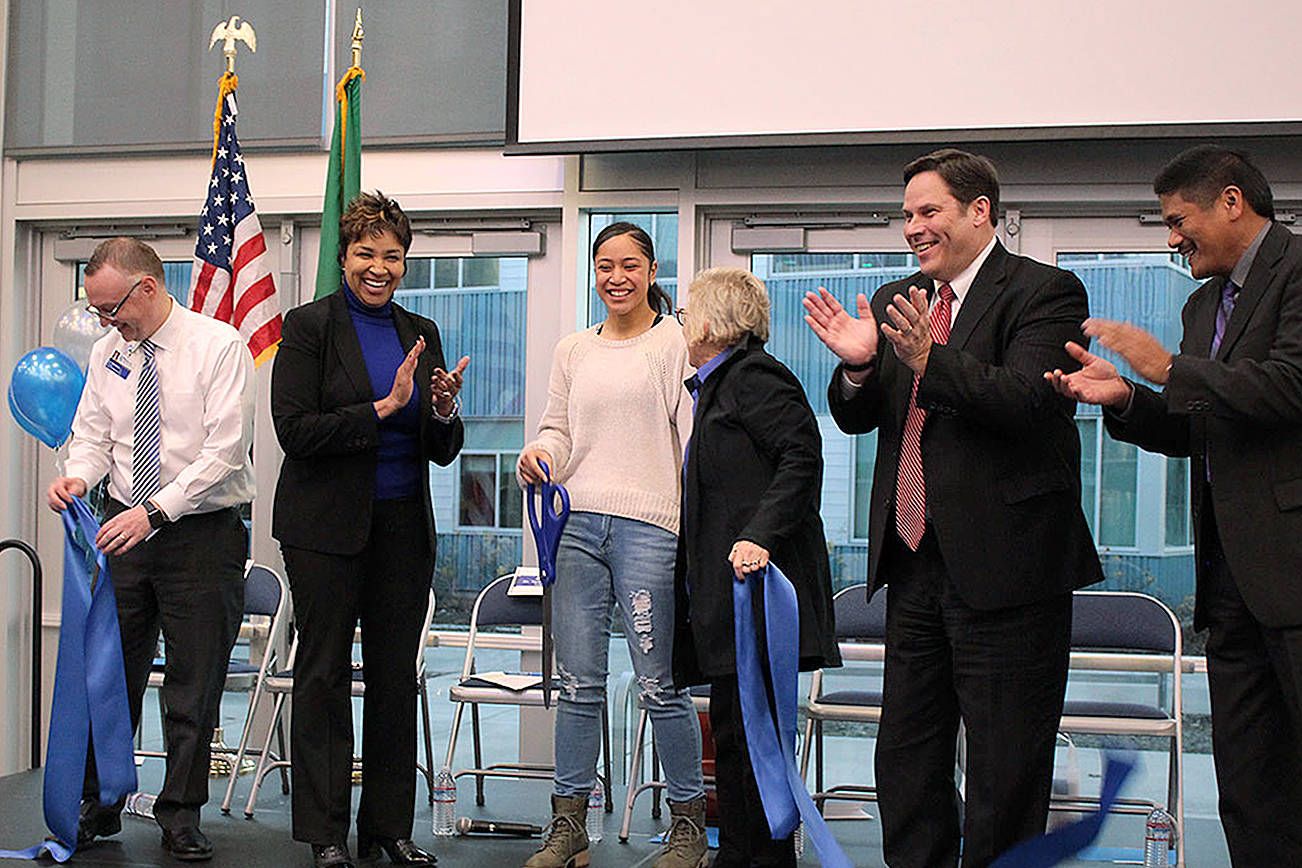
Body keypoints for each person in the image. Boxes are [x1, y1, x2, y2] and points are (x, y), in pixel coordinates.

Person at [803, 148, 1102, 867]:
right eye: (905, 214)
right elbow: (859, 417)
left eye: (927, 211)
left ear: (979, 212)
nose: (912, 227)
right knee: (906, 760)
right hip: (913, 567)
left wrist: (929, 361)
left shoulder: (1045, 291)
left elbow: (1029, 401)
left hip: (1009, 573)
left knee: (1005, 772)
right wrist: (859, 367)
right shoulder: (898, 300)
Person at [1046, 145, 1302, 864]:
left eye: (1177, 219)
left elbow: (1288, 387)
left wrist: (1166, 366)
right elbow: (1201, 427)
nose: (1171, 237)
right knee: (1250, 785)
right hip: (1229, 587)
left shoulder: (1300, 271)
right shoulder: (1202, 306)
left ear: (1230, 201)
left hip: (1294, 576)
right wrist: (1128, 397)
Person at [271, 191, 468, 868]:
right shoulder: (306, 327)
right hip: (323, 529)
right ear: (344, 256)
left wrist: (440, 411)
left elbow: (440, 447)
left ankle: (388, 827)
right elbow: (294, 433)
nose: (379, 267)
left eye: (392, 255)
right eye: (366, 253)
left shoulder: (421, 332)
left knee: (394, 677)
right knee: (322, 676)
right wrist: (383, 407)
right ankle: (325, 834)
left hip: (403, 527)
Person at [46, 237, 254, 862]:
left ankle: (181, 814)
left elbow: (224, 453)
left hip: (200, 533)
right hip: (122, 526)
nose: (106, 322)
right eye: (98, 311)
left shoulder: (218, 346)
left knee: (193, 685)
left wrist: (156, 511)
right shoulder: (111, 351)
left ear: (148, 287)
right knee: (109, 672)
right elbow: (92, 436)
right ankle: (101, 801)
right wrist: (78, 475)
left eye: (112, 308)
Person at [516, 222, 706, 868]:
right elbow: (556, 429)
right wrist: (539, 454)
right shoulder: (574, 348)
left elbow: (692, 440)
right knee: (577, 684)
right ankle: (569, 828)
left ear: (652, 272)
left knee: (661, 685)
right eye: (604, 265)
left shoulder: (676, 342)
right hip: (576, 526)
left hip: (650, 526)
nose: (615, 277)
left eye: (629, 265)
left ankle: (687, 829)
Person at [673, 267, 840, 868]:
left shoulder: (755, 377)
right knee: (737, 744)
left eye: (689, 311)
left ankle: (767, 861)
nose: (682, 321)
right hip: (729, 605)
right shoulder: (718, 386)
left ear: (715, 324)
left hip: (762, 602)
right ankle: (737, 857)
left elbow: (803, 457)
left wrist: (759, 536)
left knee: (758, 746)